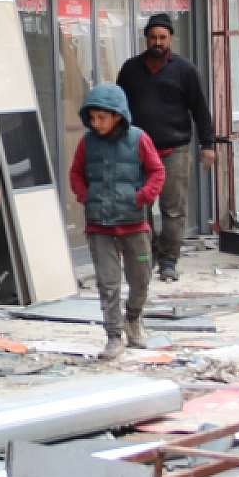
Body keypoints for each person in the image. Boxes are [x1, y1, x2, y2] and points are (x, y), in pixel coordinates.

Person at [116, 12, 216, 282]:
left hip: (175, 149)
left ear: (171, 38)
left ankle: (169, 262)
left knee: (173, 210)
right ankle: (144, 259)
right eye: (153, 37)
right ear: (146, 39)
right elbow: (118, 109)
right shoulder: (130, 69)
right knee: (140, 208)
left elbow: (200, 110)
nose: (157, 42)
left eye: (162, 37)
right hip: (136, 150)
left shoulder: (185, 70)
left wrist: (208, 144)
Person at [68, 84, 166, 360]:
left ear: (117, 116)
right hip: (99, 225)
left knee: (141, 278)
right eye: (93, 118)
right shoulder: (87, 143)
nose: (96, 124)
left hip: (134, 223)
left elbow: (157, 171)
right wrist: (86, 196)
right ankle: (113, 335)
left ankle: (132, 319)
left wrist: (141, 197)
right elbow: (76, 173)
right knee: (107, 282)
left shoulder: (139, 139)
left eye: (101, 118)